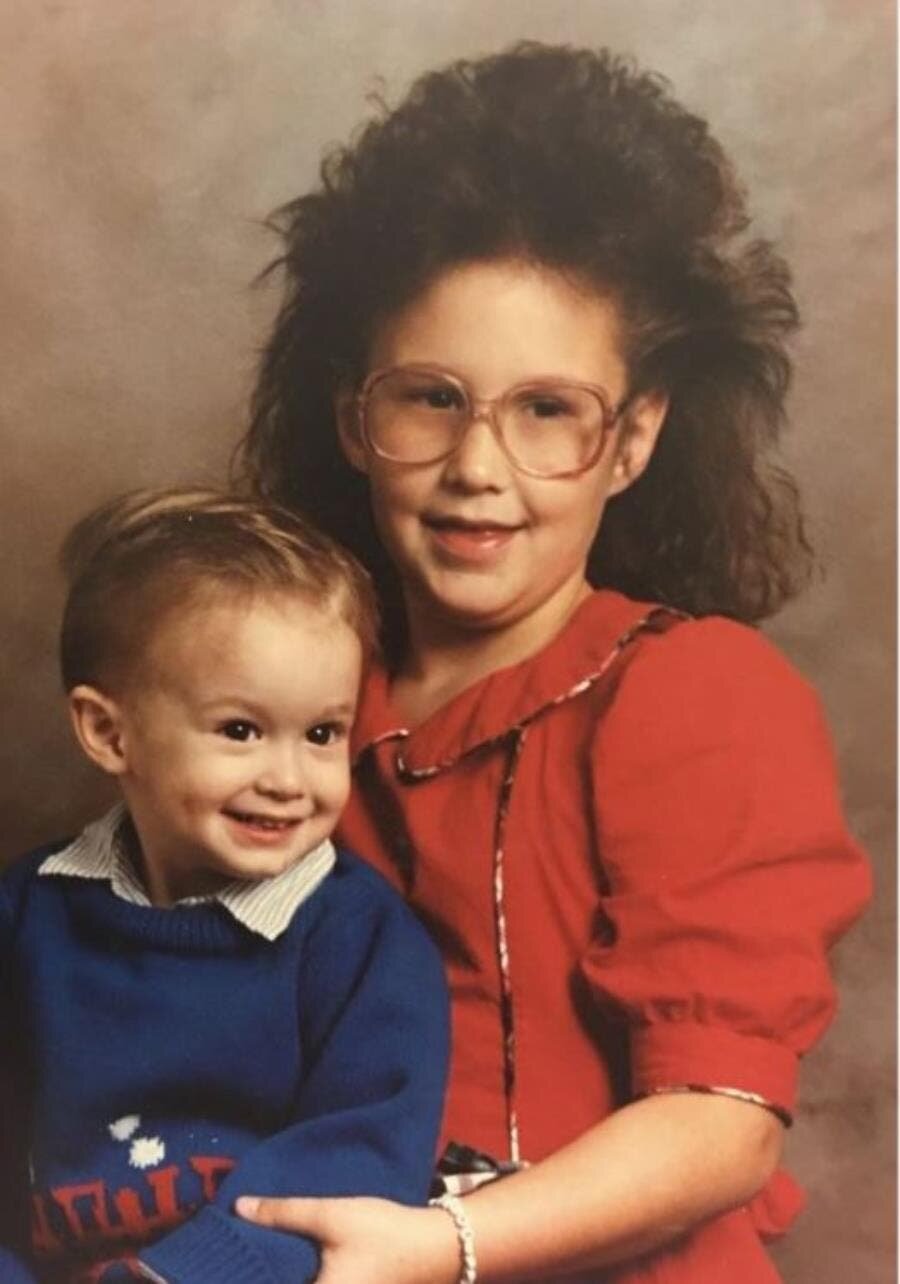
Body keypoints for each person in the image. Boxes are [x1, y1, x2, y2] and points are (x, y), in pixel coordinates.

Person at [233, 40, 872, 1284]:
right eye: (432, 398)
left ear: (632, 441)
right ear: (353, 420)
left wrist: (443, 1244)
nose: (481, 466)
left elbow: (721, 1121)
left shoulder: (697, 697)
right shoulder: (294, 696)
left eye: (546, 410)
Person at [0, 489, 450, 1283]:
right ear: (110, 733)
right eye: (240, 731)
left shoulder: (360, 940)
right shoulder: (29, 912)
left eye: (322, 734)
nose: (288, 779)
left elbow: (358, 1158)